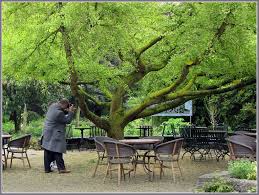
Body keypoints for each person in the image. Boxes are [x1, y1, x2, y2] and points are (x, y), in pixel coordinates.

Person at [41, 98, 76, 174]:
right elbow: (67, 121)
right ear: (64, 104)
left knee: (47, 150)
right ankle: (61, 169)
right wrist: (70, 112)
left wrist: (66, 110)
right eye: (66, 106)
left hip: (47, 131)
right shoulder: (59, 113)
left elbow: (62, 111)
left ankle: (47, 169)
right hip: (55, 133)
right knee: (58, 150)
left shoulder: (53, 106)